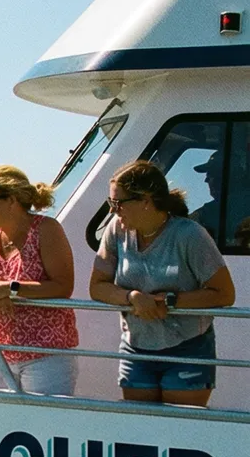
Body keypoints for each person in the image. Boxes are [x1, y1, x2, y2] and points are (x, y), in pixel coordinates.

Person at [89, 160, 237, 406]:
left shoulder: (190, 235)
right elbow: (97, 287)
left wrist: (168, 301)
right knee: (140, 433)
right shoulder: (116, 230)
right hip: (136, 349)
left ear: (146, 201)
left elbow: (224, 294)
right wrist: (133, 298)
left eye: (118, 203)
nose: (114, 211)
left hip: (187, 349)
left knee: (182, 432)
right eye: (110, 203)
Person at [0, 166, 79, 395]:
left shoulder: (47, 229)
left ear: (10, 200)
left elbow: (63, 286)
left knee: (45, 425)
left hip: (46, 355)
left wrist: (10, 289)